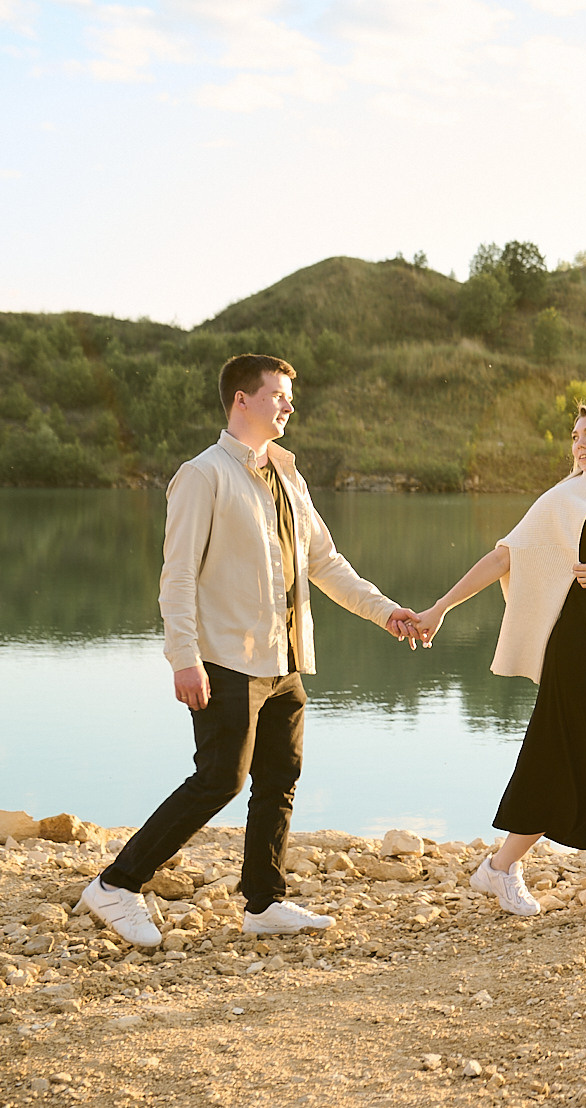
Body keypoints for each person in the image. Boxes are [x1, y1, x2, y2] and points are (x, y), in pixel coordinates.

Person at [77, 354, 422, 947]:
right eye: (279, 395)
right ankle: (115, 884)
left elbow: (324, 564)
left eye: (289, 397)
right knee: (219, 780)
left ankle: (264, 902)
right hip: (224, 660)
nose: (289, 405)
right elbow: (177, 575)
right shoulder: (202, 475)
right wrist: (182, 656)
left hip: (284, 661)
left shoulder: (288, 477)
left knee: (279, 776)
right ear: (242, 399)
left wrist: (386, 611)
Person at [412, 402, 586, 919]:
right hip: (572, 641)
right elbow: (505, 555)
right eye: (575, 436)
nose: (579, 445)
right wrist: (439, 607)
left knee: (558, 759)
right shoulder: (565, 498)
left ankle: (499, 869)